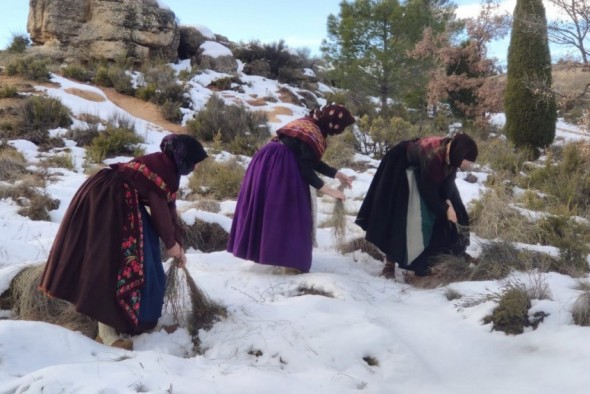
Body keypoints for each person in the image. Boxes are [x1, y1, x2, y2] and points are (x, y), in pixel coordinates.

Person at [39, 134, 208, 350]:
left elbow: (169, 209)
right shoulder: (163, 168)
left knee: (145, 259)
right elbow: (159, 210)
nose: (194, 168)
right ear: (181, 156)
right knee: (111, 261)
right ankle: (106, 334)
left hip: (119, 200)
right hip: (108, 201)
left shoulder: (167, 167)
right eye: (193, 162)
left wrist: (177, 243)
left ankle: (134, 322)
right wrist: (170, 243)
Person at [227, 104, 356, 274]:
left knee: (273, 211)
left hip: (266, 161)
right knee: (293, 212)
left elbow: (310, 159)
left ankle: (274, 255)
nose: (341, 131)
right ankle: (291, 263)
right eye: (342, 127)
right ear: (334, 122)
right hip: (281, 166)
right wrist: (329, 191)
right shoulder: (313, 131)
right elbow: (306, 167)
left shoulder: (309, 124)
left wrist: (336, 174)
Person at [355, 132, 478, 279]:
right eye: (466, 161)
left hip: (426, 172)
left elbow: (447, 182)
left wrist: (448, 201)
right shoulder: (433, 155)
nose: (467, 165)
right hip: (401, 166)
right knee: (401, 216)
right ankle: (390, 264)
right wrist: (445, 208)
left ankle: (455, 252)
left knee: (458, 210)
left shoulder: (452, 154)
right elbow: (429, 192)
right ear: (459, 154)